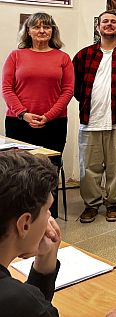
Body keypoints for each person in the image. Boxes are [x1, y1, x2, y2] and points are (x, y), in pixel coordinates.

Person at [0, 150, 116, 317]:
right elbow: (29, 306)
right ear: (24, 224)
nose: (49, 217)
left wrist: (45, 261)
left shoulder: (20, 300)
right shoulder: (22, 302)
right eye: (47, 210)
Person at [2, 13, 74, 218]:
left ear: (53, 31)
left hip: (54, 124)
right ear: (28, 31)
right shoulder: (16, 56)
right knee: (19, 171)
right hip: (19, 123)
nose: (42, 31)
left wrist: (49, 116)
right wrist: (23, 114)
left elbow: (68, 91)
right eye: (36, 27)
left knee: (49, 170)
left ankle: (48, 217)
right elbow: (7, 88)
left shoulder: (62, 58)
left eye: (47, 27)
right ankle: (20, 215)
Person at [73, 11, 116, 224]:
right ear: (98, 26)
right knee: (89, 167)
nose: (109, 24)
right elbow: (75, 86)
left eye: (113, 22)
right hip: (90, 120)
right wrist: (87, 102)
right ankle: (91, 205)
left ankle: (112, 204)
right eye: (105, 21)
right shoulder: (84, 55)